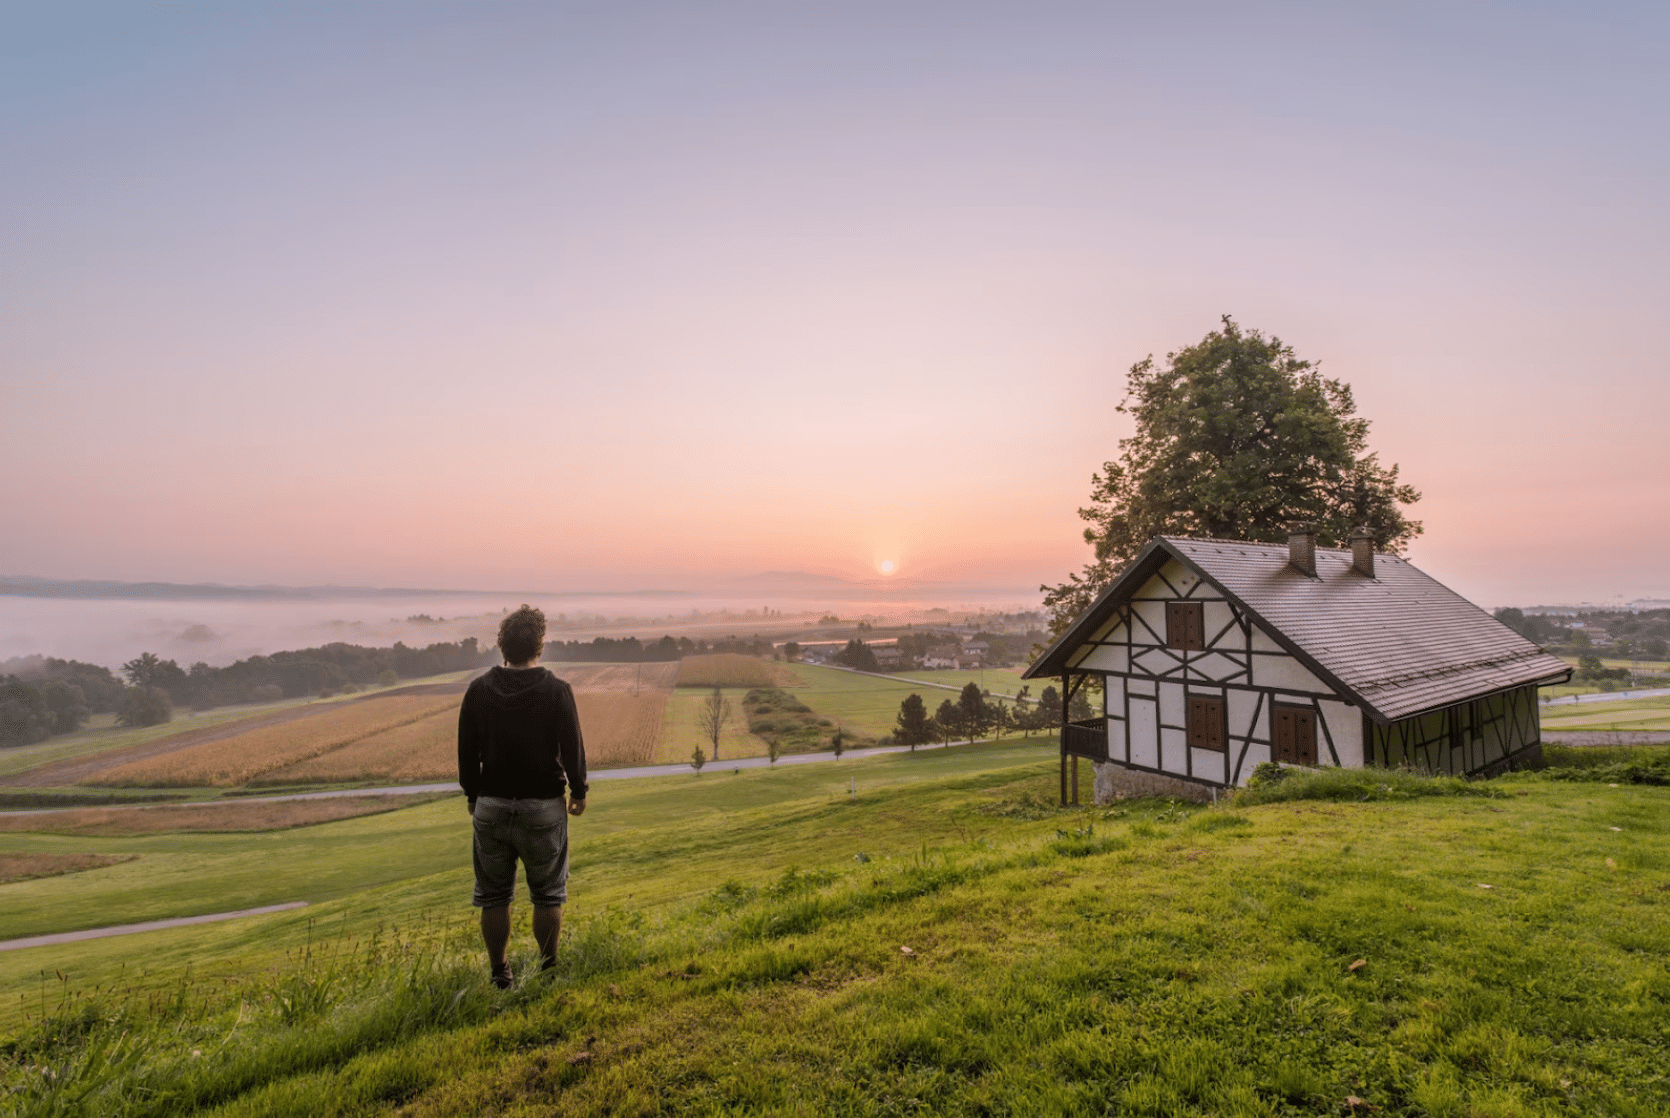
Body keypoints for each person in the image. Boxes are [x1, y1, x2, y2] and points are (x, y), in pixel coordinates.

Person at [458, 605, 588, 989]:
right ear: (540, 645)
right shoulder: (557, 690)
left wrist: (472, 795)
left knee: (493, 896)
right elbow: (573, 747)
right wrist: (578, 790)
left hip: (491, 806)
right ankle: (548, 971)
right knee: (548, 895)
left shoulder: (478, 690)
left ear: (502, 646)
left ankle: (501, 974)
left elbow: (467, 751)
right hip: (543, 807)